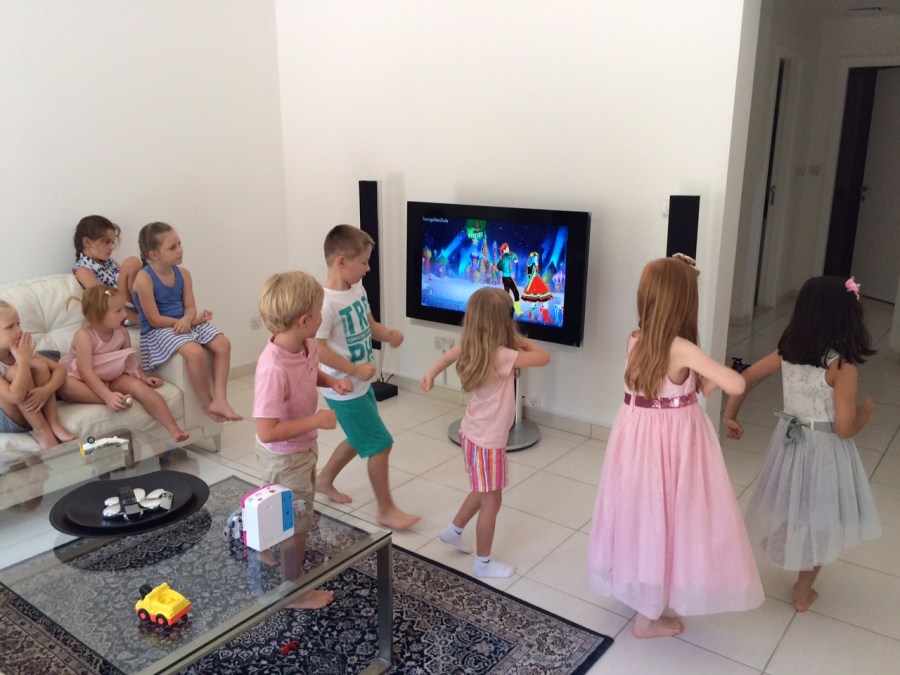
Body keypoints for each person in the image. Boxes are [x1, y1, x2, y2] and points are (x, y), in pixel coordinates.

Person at [587, 256, 764, 638]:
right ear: (685, 304)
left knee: (641, 513)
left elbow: (671, 386)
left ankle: (639, 586)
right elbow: (737, 383)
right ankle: (647, 618)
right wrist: (715, 376)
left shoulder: (636, 339)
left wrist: (700, 382)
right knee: (670, 515)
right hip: (672, 444)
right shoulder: (681, 348)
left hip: (635, 439)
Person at [723, 275, 880, 613]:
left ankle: (783, 542)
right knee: (821, 516)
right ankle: (802, 590)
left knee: (791, 498)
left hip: (789, 442)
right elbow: (844, 428)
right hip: (824, 452)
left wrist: (730, 414)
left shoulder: (788, 352)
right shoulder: (842, 366)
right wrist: (865, 414)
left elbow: (745, 377)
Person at [421, 287, 550, 578]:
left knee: (482, 491)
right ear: (503, 322)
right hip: (488, 442)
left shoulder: (472, 346)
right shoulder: (502, 355)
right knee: (492, 500)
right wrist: (516, 336)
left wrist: (430, 373)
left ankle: (453, 531)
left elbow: (447, 356)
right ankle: (484, 563)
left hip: (472, 433)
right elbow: (543, 357)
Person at [254, 270, 355, 609]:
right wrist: (316, 420)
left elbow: (312, 372)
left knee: (283, 509)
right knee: (296, 524)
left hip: (301, 447)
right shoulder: (273, 369)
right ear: (303, 320)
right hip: (284, 457)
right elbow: (266, 431)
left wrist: (332, 382)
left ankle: (262, 543)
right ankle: (291, 593)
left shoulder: (306, 344)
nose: (323, 316)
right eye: (319, 311)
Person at [314, 224, 419, 531]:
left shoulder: (356, 289)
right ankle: (386, 510)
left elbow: (369, 324)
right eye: (364, 262)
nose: (368, 268)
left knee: (359, 437)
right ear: (341, 262)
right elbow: (319, 349)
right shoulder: (325, 304)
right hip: (343, 388)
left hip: (361, 384)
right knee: (380, 444)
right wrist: (354, 370)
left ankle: (323, 479)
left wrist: (389, 334)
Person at [131, 222, 242, 423]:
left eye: (179, 244)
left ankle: (220, 399)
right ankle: (207, 402)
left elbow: (190, 307)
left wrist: (189, 320)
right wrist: (185, 322)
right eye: (172, 247)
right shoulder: (144, 278)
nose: (180, 250)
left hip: (184, 322)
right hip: (158, 330)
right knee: (195, 352)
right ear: (154, 254)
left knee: (223, 344)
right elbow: (154, 319)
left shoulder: (183, 274)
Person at [58, 285, 189, 442]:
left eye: (123, 309)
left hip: (115, 376)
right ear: (98, 316)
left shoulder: (121, 332)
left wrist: (143, 377)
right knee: (66, 385)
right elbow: (86, 372)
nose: (125, 314)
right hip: (85, 379)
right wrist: (107, 396)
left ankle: (173, 429)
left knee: (142, 389)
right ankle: (114, 399)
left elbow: (130, 359)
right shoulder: (84, 336)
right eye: (118, 311)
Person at [0, 300, 77, 450]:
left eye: (18, 324)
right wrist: (23, 360)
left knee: (40, 366)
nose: (19, 331)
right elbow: (15, 397)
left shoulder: (20, 347)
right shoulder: (22, 353)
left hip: (29, 410)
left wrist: (45, 391)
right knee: (16, 371)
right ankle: (41, 430)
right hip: (7, 419)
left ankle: (53, 423)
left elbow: (60, 370)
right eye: (10, 327)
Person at [72, 215, 143, 325]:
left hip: (133, 302)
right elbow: (103, 298)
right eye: (106, 242)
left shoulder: (111, 262)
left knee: (134, 264)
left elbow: (127, 282)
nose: (111, 247)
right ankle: (143, 318)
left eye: (112, 242)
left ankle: (150, 309)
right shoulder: (82, 269)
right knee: (131, 262)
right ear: (87, 242)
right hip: (117, 309)